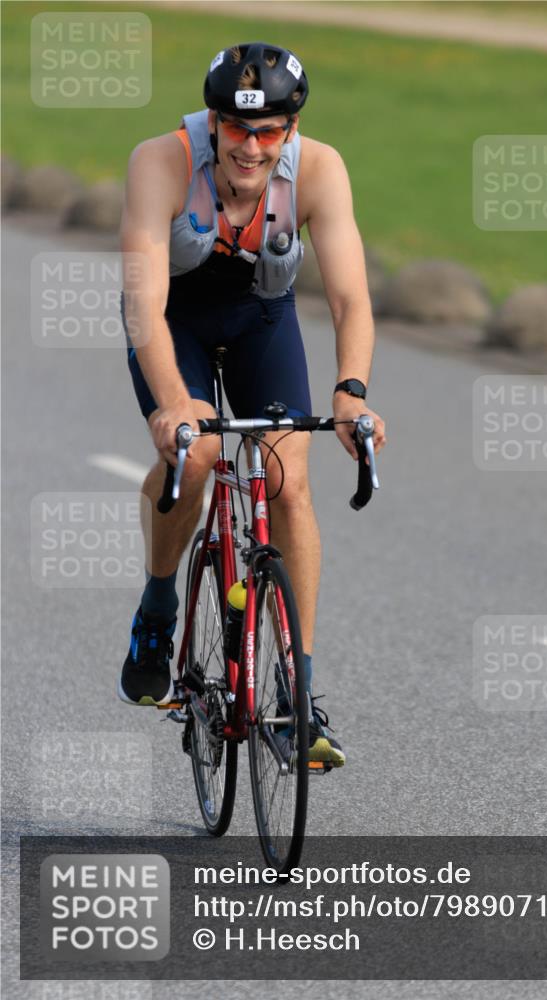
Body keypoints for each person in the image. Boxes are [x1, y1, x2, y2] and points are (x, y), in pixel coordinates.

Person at [117, 42, 386, 767]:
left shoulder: (320, 170)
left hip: (261, 319)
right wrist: (175, 403)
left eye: (270, 130)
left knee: (286, 482)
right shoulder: (161, 161)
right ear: (212, 121)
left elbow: (350, 297)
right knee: (197, 452)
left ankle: (295, 694)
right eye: (238, 129)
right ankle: (158, 603)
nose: (252, 146)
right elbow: (143, 302)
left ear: (291, 130)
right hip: (173, 323)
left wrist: (350, 391)